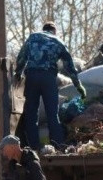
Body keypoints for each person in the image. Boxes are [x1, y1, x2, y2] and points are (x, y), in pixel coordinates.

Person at [14, 21, 85, 151]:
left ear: (43, 29)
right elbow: (69, 66)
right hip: (48, 79)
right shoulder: (58, 42)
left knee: (31, 114)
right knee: (52, 114)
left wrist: (18, 73)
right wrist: (78, 85)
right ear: (54, 31)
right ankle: (59, 147)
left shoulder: (33, 37)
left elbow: (22, 57)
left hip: (32, 77)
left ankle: (34, 148)